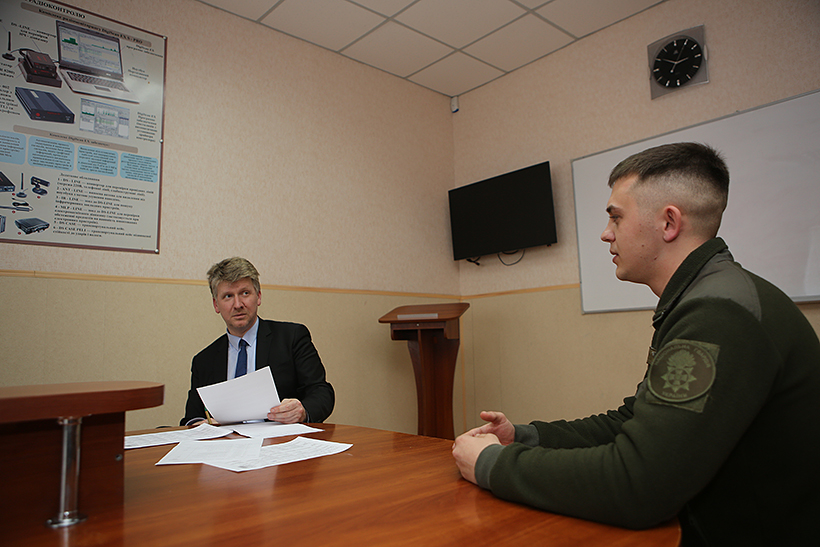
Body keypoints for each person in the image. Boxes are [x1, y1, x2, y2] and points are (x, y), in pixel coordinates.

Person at [452, 142, 820, 546]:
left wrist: (493, 464)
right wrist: (522, 437)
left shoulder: (718, 313)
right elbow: (631, 420)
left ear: (669, 223)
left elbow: (638, 485)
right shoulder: (709, 296)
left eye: (616, 217)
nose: (605, 233)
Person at [181, 257, 334, 426]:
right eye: (228, 296)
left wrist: (302, 411)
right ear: (216, 305)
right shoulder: (203, 361)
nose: (238, 304)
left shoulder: (292, 338)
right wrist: (199, 425)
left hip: (280, 438)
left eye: (245, 293)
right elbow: (192, 418)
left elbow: (322, 392)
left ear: (258, 297)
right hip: (226, 441)